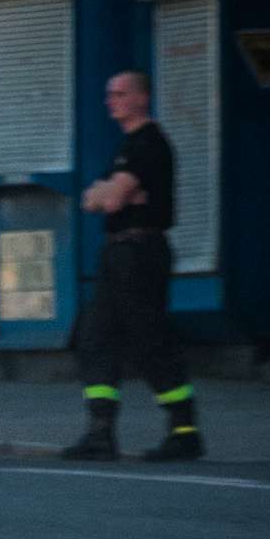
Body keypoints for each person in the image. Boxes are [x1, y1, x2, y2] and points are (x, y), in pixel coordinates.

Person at [67, 70, 202, 462]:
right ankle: (100, 432)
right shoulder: (128, 147)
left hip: (139, 251)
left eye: (121, 93)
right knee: (95, 338)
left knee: (148, 340)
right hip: (118, 251)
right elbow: (96, 198)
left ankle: (185, 429)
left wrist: (110, 192)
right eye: (110, 94)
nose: (112, 100)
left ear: (142, 98)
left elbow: (107, 201)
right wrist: (111, 193)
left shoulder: (147, 144)